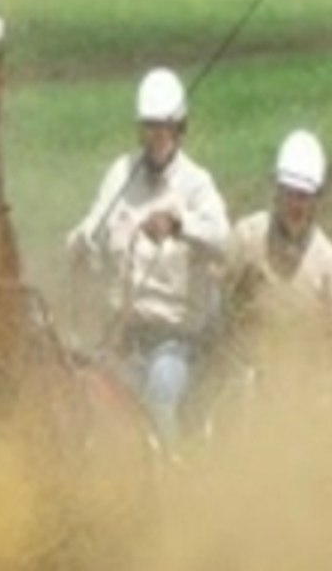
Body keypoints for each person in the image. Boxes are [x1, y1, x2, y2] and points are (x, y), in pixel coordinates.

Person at [67, 67, 229, 455]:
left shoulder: (196, 184)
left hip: (175, 343)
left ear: (180, 129)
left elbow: (223, 238)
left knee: (159, 400)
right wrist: (81, 241)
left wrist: (179, 224)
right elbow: (94, 222)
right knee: (86, 400)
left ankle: (173, 476)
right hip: (121, 338)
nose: (155, 137)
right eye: (148, 128)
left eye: (164, 128)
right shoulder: (121, 174)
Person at [220, 128, 332, 395]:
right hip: (245, 387)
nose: (295, 205)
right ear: (277, 190)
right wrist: (231, 368)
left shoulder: (331, 268)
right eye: (289, 193)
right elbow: (218, 300)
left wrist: (326, 393)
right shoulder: (247, 238)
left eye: (304, 196)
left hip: (303, 392)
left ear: (318, 198)